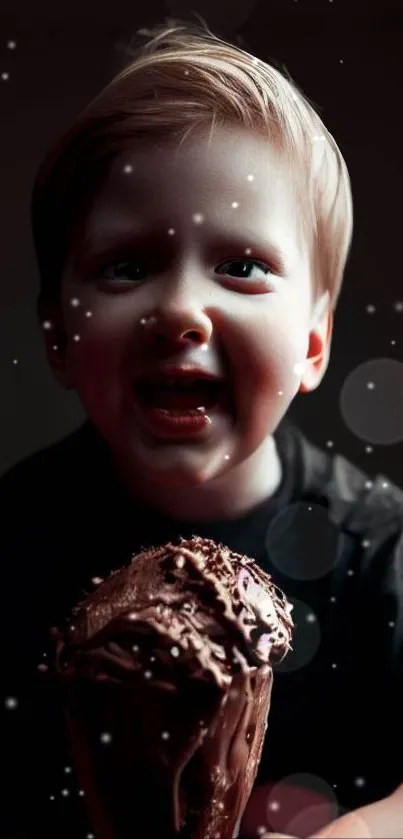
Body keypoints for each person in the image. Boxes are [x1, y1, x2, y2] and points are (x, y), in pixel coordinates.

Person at [0, 17, 402, 839]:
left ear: (313, 342)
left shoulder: (377, 551)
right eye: (128, 265)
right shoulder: (12, 543)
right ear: (58, 340)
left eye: (241, 266)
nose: (181, 309)